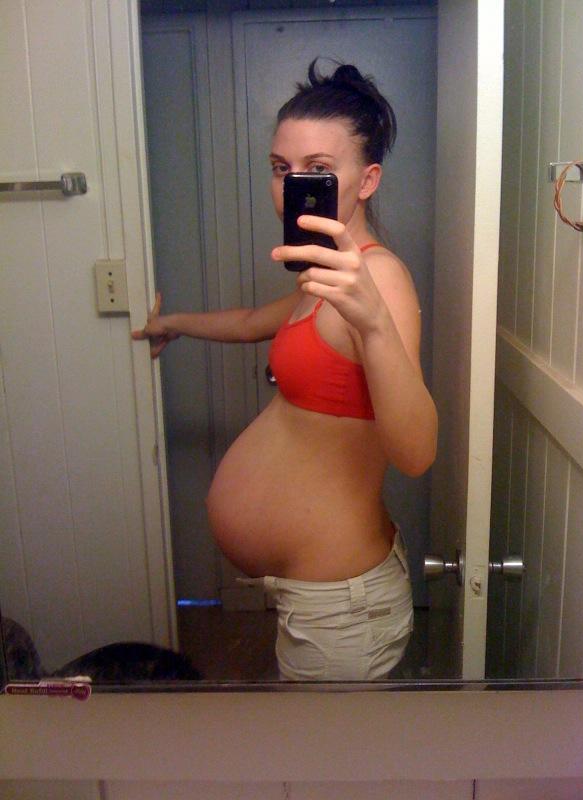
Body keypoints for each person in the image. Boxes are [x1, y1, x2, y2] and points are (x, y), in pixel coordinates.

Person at [132, 60, 438, 681]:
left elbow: (416, 453)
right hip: (320, 592)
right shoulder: (321, 275)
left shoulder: (377, 279)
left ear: (367, 179)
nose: (291, 186)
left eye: (317, 170)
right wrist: (173, 323)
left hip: (341, 605)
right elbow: (252, 321)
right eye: (280, 168)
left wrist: (375, 324)